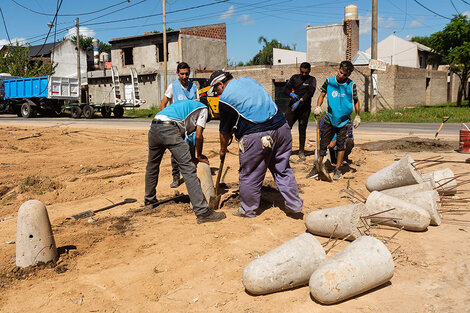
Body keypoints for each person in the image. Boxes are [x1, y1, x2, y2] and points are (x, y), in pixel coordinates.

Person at [209, 70, 303, 218]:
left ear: (220, 84)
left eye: (216, 89)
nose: (217, 93)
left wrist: (222, 149)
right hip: (282, 129)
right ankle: (294, 205)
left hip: (256, 135)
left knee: (250, 173)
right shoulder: (249, 80)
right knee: (283, 169)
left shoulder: (225, 99)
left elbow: (224, 132)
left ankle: (249, 210)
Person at [144, 99, 226, 224]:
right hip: (169, 128)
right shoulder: (204, 109)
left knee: (152, 166)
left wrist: (193, 157)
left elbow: (187, 141)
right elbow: (198, 136)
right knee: (188, 170)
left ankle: (149, 200)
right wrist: (199, 156)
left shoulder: (186, 108)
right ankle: (202, 212)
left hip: (154, 126)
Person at [313, 60, 360, 180]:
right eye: (340, 72)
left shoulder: (351, 85)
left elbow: (356, 100)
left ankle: (337, 169)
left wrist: (358, 115)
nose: (341, 75)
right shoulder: (329, 81)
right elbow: (322, 94)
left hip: (344, 121)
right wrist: (318, 106)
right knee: (323, 143)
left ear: (349, 75)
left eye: (345, 74)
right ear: (338, 69)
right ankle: (318, 166)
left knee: (341, 145)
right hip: (330, 118)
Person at [160, 62, 199, 188]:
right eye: (182, 74)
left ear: (189, 73)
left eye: (186, 74)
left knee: (192, 151)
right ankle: (176, 177)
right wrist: (165, 120)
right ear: (177, 74)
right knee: (176, 153)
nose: (184, 76)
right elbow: (163, 103)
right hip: (176, 125)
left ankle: (193, 176)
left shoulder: (194, 88)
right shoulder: (173, 87)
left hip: (191, 125)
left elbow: (197, 106)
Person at [283, 62, 317, 160]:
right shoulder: (294, 78)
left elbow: (310, 92)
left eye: (306, 73)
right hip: (292, 108)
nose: (304, 75)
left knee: (302, 129)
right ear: (300, 70)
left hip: (304, 109)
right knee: (286, 128)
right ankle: (285, 150)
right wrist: (291, 95)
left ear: (309, 71)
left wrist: (301, 100)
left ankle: (301, 151)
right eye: (302, 72)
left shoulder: (312, 80)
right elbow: (285, 89)